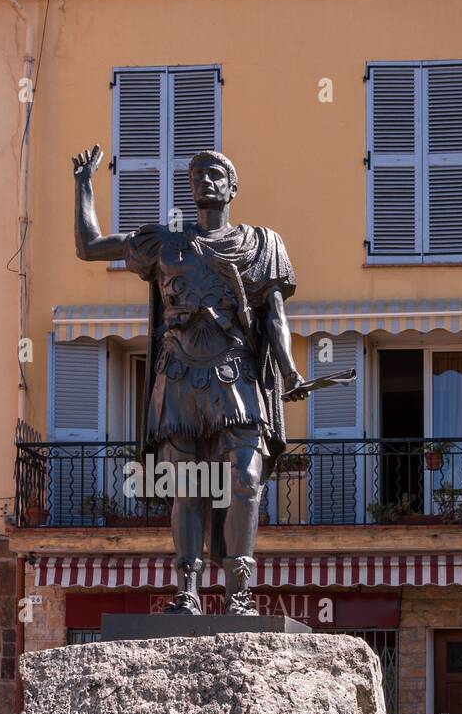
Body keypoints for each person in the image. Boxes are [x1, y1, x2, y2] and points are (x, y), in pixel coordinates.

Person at [73, 144, 307, 615]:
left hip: (235, 373)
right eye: (198, 174)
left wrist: (289, 371)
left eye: (216, 173)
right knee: (187, 486)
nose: (206, 180)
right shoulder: (164, 242)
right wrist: (83, 184)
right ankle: (187, 592)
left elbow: (276, 317)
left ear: (233, 186)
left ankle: (238, 592)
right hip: (178, 375)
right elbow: (89, 248)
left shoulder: (262, 245)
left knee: (244, 478)